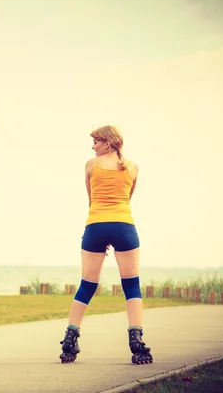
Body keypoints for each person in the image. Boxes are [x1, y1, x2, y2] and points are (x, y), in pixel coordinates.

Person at [59, 125, 153, 365]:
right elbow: (127, 198)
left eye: (96, 142)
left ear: (108, 142)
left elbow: (92, 199)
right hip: (123, 226)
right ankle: (136, 341)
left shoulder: (91, 165)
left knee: (87, 285)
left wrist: (104, 232)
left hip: (96, 226)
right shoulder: (132, 167)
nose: (93, 146)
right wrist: (114, 229)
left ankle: (70, 338)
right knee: (132, 286)